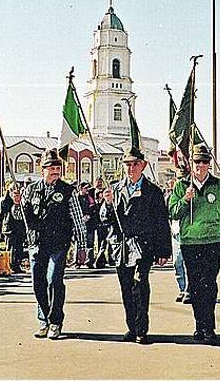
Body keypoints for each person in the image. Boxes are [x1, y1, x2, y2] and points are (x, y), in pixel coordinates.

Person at [13, 148, 87, 340]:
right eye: (51, 168)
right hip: (37, 243)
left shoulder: (67, 191)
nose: (55, 171)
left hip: (58, 243)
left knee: (54, 280)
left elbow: (78, 220)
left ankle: (55, 321)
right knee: (38, 283)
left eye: (57, 167)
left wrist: (82, 246)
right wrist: (17, 203)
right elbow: (20, 217)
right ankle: (44, 320)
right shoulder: (31, 189)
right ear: (42, 169)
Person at [100, 145, 172, 344]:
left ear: (143, 165)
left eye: (135, 164)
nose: (131, 168)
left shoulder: (153, 192)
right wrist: (107, 204)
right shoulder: (114, 189)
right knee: (126, 288)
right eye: (127, 164)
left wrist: (163, 250)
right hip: (121, 247)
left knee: (140, 285)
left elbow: (161, 222)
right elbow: (106, 220)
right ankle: (131, 326)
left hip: (143, 246)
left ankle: (141, 328)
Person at [168, 144, 220, 344]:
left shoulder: (218, 185)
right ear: (191, 163)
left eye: (205, 162)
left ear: (209, 164)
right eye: (197, 162)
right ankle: (199, 325)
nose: (201, 166)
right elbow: (172, 212)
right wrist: (186, 200)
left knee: (209, 284)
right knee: (195, 285)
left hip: (212, 240)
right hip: (190, 242)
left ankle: (209, 326)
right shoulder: (182, 185)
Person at [166, 169, 190, 304]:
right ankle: (182, 288)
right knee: (176, 263)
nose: (180, 181)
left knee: (186, 262)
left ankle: (187, 289)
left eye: (183, 178)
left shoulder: (189, 193)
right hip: (174, 232)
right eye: (179, 178)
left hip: (185, 232)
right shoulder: (170, 196)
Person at [0, 183, 27, 274]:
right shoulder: (6, 201)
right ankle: (10, 265)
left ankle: (17, 264)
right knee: (11, 248)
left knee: (19, 248)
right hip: (10, 228)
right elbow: (2, 213)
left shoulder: (22, 201)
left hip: (20, 228)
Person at [77, 182, 97, 268]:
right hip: (79, 223)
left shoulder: (90, 198)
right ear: (80, 188)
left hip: (89, 223)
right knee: (79, 243)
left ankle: (89, 261)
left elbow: (93, 209)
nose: (87, 190)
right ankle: (78, 261)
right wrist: (81, 217)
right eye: (85, 188)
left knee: (90, 242)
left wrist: (89, 215)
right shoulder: (76, 198)